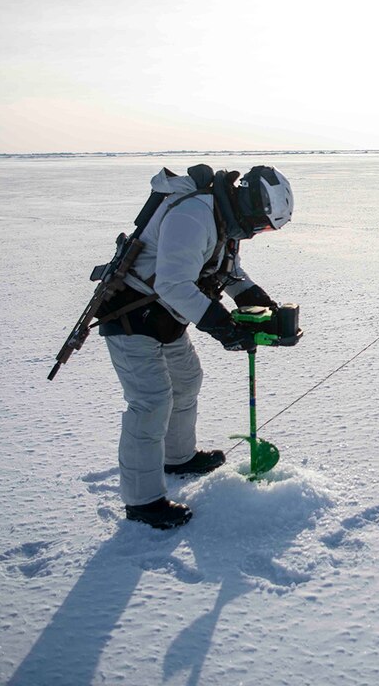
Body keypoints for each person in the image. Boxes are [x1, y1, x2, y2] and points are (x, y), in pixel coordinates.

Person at [96, 164, 294, 529]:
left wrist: (263, 304)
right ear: (251, 205)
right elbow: (173, 284)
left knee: (186, 381)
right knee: (151, 402)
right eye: (263, 225)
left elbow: (229, 272)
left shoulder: (226, 218)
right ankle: (143, 502)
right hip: (132, 315)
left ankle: (178, 458)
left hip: (167, 318)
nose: (259, 233)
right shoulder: (193, 215)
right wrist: (223, 327)